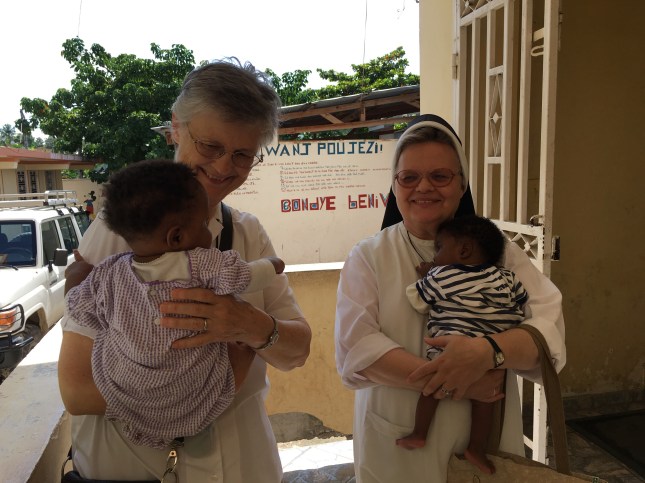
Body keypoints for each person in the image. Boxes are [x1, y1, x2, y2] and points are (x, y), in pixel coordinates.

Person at [58, 58, 312, 482]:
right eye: (210, 146)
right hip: (131, 469)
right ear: (176, 127)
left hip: (242, 464)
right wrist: (185, 395)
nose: (223, 166)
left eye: (242, 154)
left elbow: (298, 349)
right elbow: (75, 389)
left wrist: (248, 324)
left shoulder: (247, 232)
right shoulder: (123, 230)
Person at [335, 114, 565, 482]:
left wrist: (488, 352)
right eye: (409, 177)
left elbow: (548, 330)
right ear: (394, 186)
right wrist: (460, 382)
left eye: (440, 176)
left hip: (485, 438)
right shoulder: (369, 256)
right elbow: (356, 348)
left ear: (462, 184)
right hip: (396, 440)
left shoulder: (501, 253)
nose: (424, 187)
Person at [65, 159, 285, 450]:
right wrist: (273, 264)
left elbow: (78, 307)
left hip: (131, 400)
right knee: (243, 348)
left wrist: (75, 276)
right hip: (199, 400)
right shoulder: (199, 264)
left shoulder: (109, 274)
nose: (209, 232)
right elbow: (246, 276)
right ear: (177, 236)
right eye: (204, 224)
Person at [396, 215, 528, 476]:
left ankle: (419, 433)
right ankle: (476, 448)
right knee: (486, 402)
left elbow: (417, 300)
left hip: (450, 351)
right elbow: (522, 300)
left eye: (439, 248)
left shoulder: (444, 275)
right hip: (489, 354)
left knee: (431, 389)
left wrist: (427, 274)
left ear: (464, 250)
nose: (435, 255)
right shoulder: (506, 277)